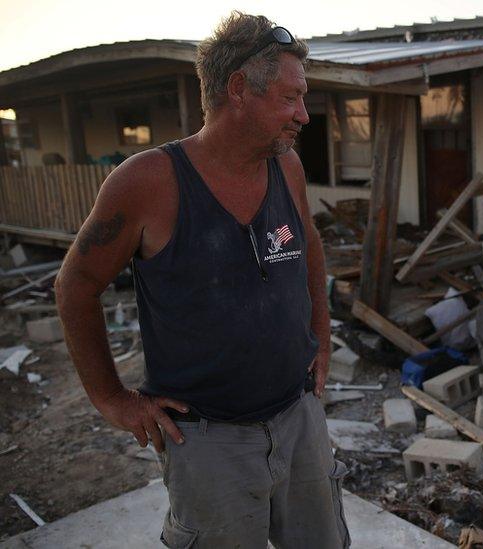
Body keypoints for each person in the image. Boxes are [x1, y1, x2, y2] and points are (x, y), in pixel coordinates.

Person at [55, 12, 348, 548]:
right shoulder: (149, 182)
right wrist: (113, 399)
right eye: (290, 98)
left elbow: (309, 244)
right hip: (209, 441)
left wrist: (322, 336)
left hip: (299, 417)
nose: (304, 115)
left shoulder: (287, 167)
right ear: (239, 89)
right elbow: (76, 285)